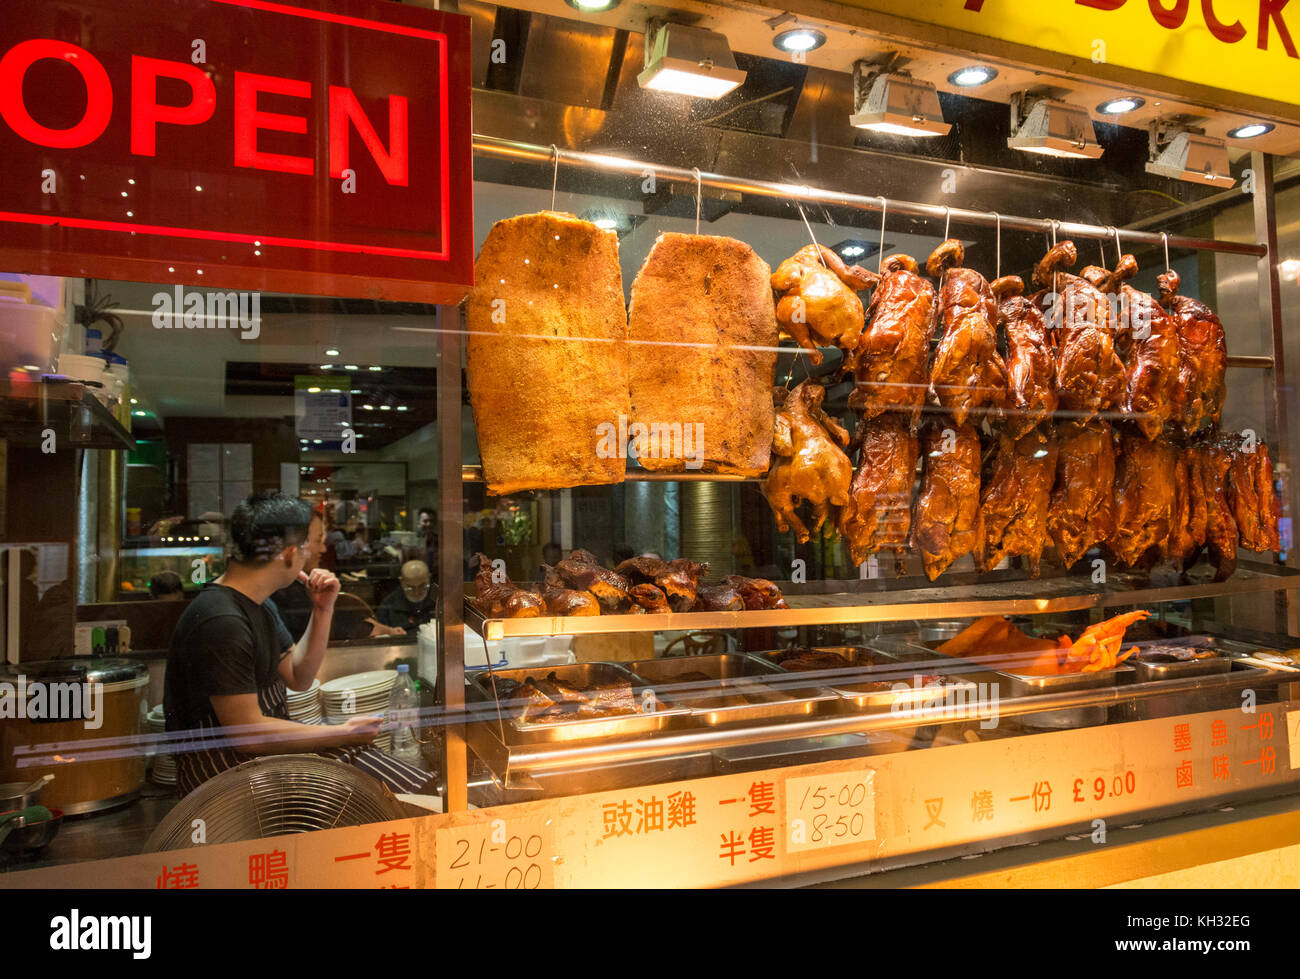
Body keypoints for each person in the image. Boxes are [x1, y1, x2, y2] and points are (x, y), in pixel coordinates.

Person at [164, 491, 432, 795]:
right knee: (386, 798)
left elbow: (299, 676)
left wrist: (322, 609)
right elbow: (247, 734)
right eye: (314, 540)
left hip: (264, 761)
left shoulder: (261, 605)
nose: (320, 548)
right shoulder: (221, 619)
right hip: (226, 784)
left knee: (413, 788)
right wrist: (341, 733)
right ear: (290, 553)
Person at [371, 560, 438, 636]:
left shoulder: (439, 600)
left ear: (429, 578)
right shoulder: (389, 604)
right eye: (410, 588)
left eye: (422, 586)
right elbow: (380, 635)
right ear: (401, 581)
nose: (417, 592)